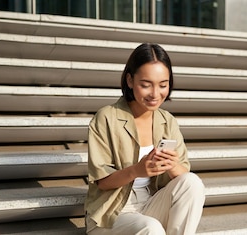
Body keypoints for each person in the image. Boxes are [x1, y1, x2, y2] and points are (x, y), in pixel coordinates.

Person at [85, 43, 205, 235]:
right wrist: (137, 170)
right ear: (130, 80)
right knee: (151, 229)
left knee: (192, 182)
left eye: (163, 85)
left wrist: (171, 165)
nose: (155, 94)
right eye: (146, 85)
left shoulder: (167, 121)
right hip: (111, 213)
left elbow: (184, 174)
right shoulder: (107, 117)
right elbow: (102, 182)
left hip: (150, 203)